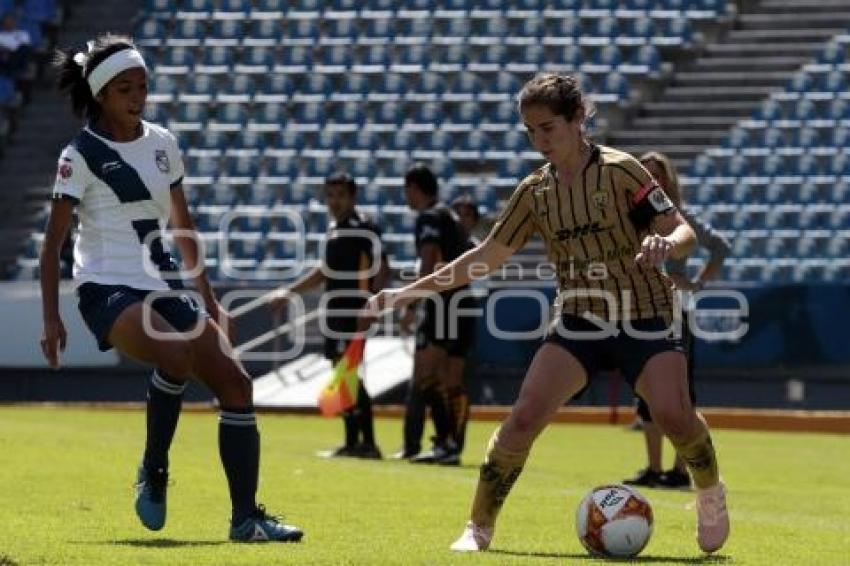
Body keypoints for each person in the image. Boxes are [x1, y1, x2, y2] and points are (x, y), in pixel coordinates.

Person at [361, 73, 729, 554]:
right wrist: (409, 292)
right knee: (523, 419)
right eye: (530, 131)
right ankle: (478, 527)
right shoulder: (535, 191)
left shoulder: (623, 171)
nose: (540, 141)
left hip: (647, 313)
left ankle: (710, 494)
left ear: (578, 119)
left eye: (548, 128)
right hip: (579, 320)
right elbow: (486, 257)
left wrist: (666, 242)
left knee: (675, 418)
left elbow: (681, 230)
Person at [39, 34, 302, 542]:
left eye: (142, 86)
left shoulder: (162, 143)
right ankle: (154, 469)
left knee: (237, 384)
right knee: (176, 355)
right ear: (100, 95)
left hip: (163, 286)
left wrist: (210, 301)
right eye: (124, 88)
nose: (137, 96)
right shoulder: (80, 155)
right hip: (105, 288)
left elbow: (184, 226)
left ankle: (246, 519)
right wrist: (52, 318)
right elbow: (52, 245)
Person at [624, 151, 731, 490]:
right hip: (638, 308)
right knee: (645, 392)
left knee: (679, 391)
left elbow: (720, 247)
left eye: (657, 174)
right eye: (646, 173)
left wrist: (696, 282)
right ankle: (655, 467)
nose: (651, 180)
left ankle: (681, 469)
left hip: (672, 309)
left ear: (668, 181)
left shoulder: (680, 218)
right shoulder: (627, 216)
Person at [269, 172, 387, 459]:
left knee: (349, 375)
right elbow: (324, 271)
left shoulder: (361, 228)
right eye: (330, 195)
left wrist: (369, 305)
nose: (334, 201)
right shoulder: (336, 230)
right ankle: (353, 442)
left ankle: (367, 442)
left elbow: (380, 267)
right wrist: (290, 291)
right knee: (343, 373)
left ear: (352, 197)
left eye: (341, 195)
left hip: (351, 311)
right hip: (335, 310)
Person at [394, 164, 471, 465]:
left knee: (426, 376)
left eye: (407, 190)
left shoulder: (429, 217)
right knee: (448, 378)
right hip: (461, 301)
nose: (406, 197)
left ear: (414, 187)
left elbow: (429, 261)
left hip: (442, 302)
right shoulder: (448, 215)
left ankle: (445, 445)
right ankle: (450, 446)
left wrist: (411, 304)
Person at [446, 194, 483, 456]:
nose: (461, 219)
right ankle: (442, 438)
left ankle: (455, 440)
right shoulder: (446, 245)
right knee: (439, 378)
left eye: (467, 214)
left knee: (454, 379)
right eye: (457, 213)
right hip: (442, 311)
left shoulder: (475, 248)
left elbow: (479, 285)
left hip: (462, 312)